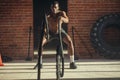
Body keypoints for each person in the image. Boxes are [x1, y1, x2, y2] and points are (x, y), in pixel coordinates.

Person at [41, 1, 77, 69]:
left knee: (70, 42)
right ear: (50, 8)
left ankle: (72, 62)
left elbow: (67, 20)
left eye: (55, 7)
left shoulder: (61, 13)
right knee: (41, 44)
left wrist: (62, 18)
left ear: (58, 7)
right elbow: (45, 25)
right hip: (50, 32)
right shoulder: (48, 14)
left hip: (59, 31)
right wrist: (45, 31)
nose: (54, 9)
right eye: (52, 8)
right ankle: (40, 62)